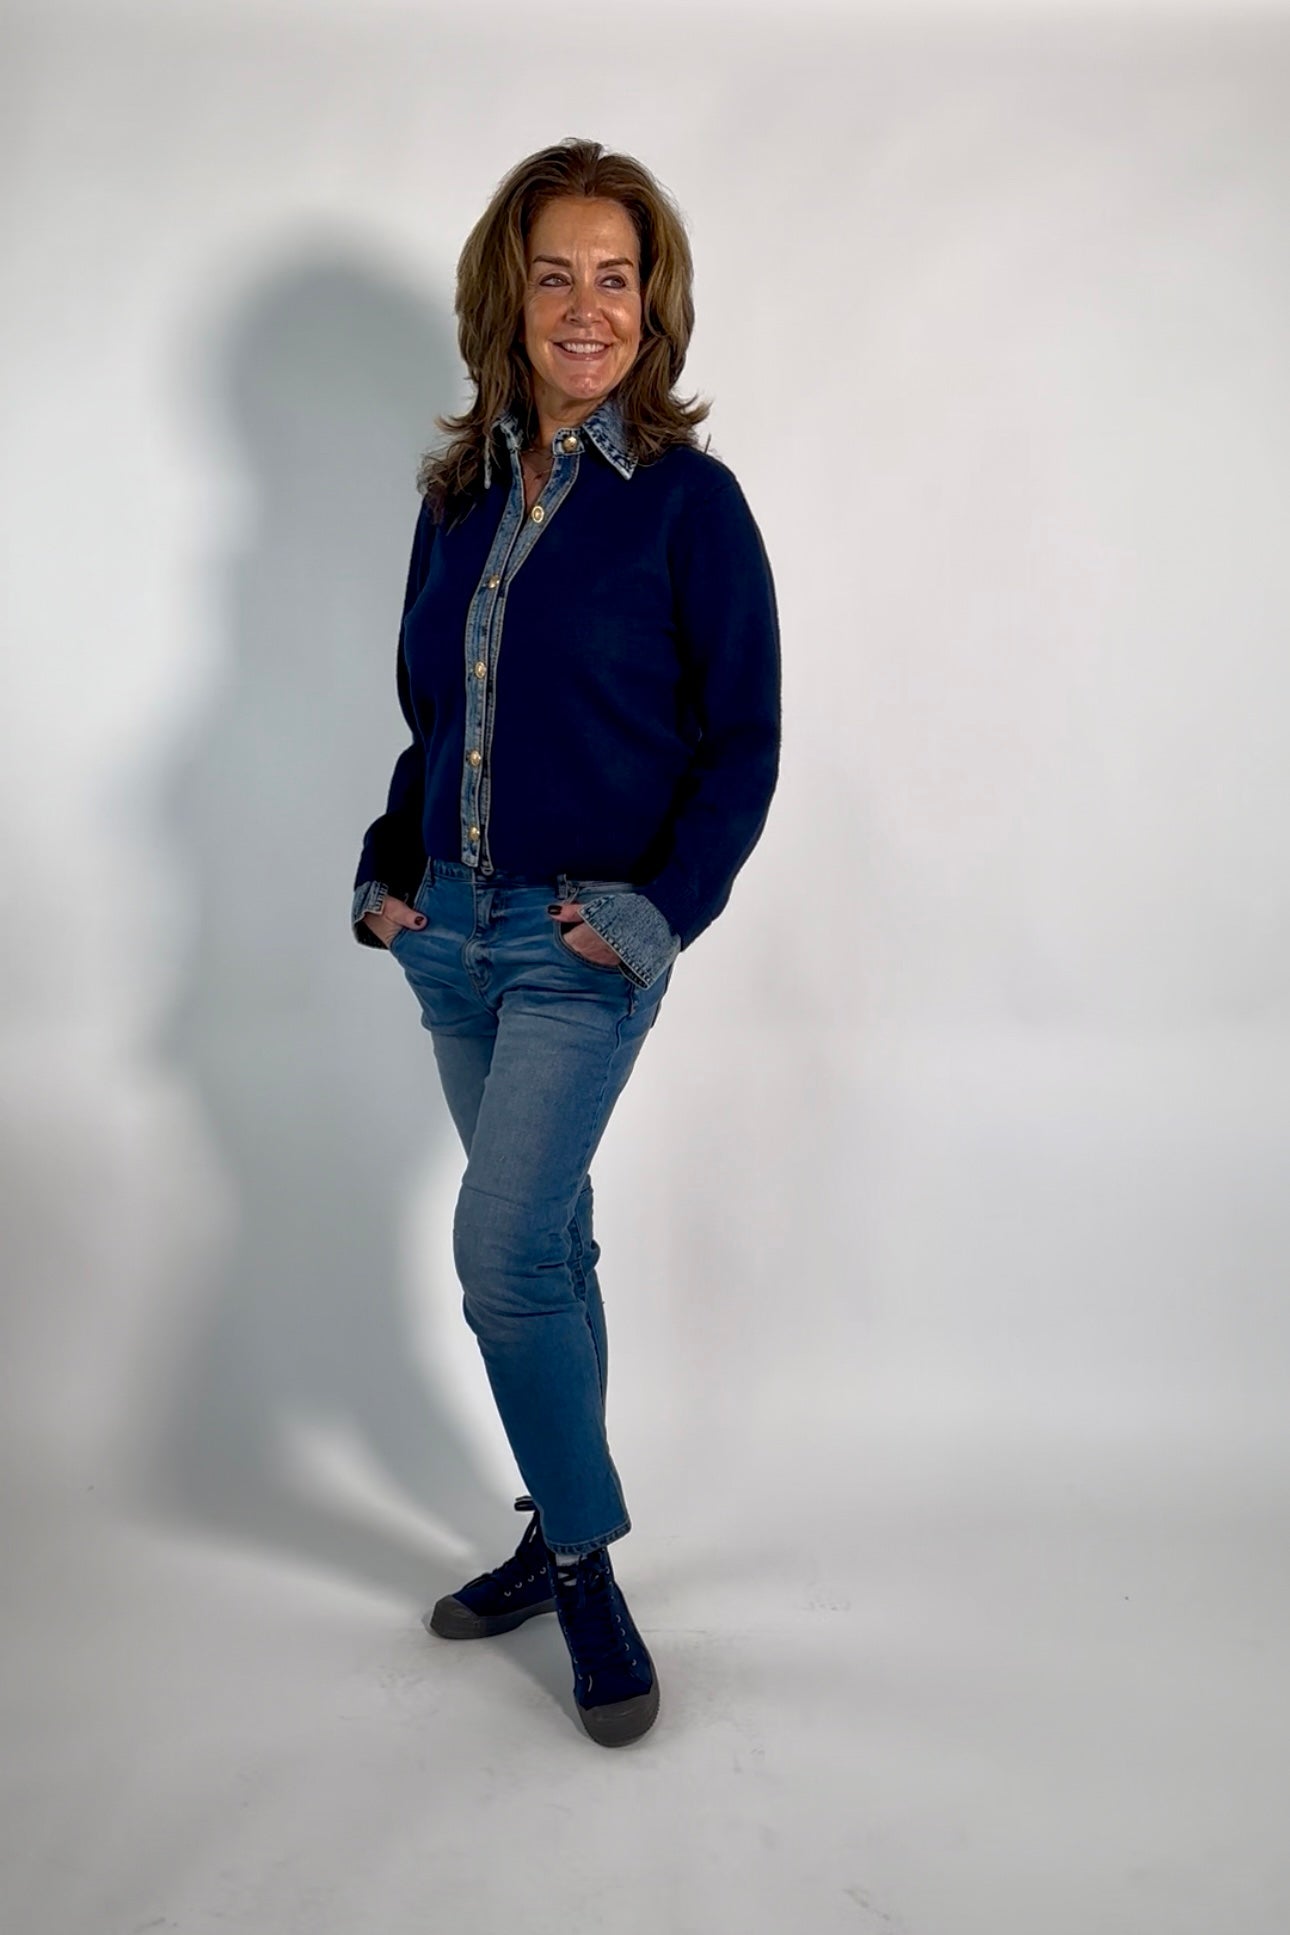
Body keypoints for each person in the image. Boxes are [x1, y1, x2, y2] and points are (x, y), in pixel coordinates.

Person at [351, 137, 780, 1747]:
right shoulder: (456, 497)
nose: (586, 306)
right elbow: (433, 723)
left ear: (651, 304)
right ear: (507, 297)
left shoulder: (688, 506)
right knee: (553, 1248)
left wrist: (653, 916)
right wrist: (386, 877)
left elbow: (741, 743)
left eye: (616, 276)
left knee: (501, 1255)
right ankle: (554, 1532)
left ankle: (585, 1568)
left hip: (581, 945)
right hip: (449, 936)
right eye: (556, 275)